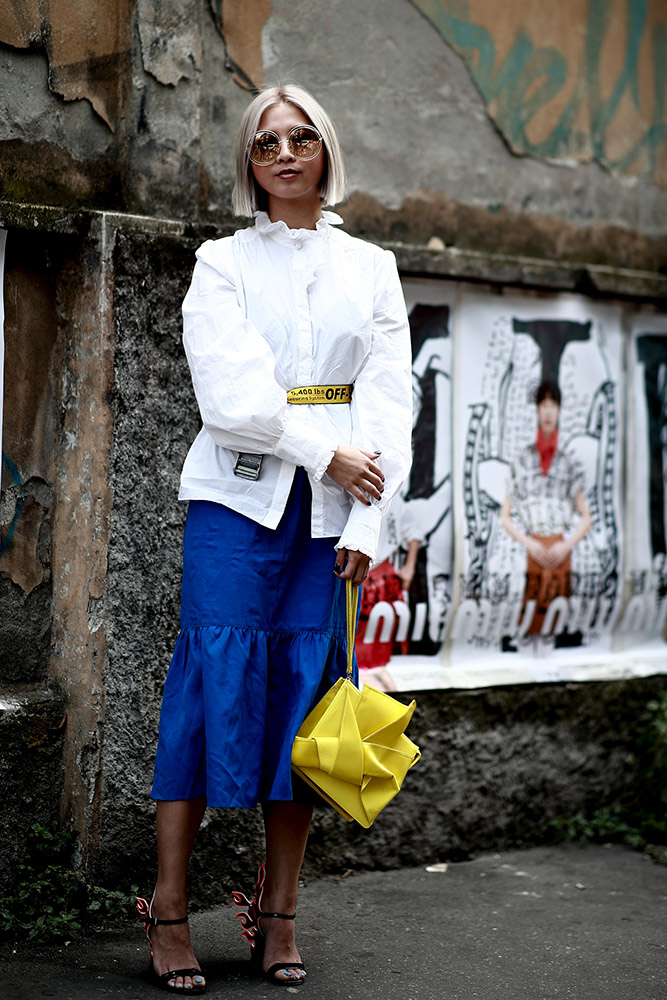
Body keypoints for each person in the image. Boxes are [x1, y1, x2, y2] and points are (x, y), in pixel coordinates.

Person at [137, 84, 412, 993]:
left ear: (327, 150)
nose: (286, 154)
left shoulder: (371, 266)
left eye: (302, 139)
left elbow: (389, 399)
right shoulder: (221, 262)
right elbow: (231, 400)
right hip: (234, 509)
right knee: (204, 696)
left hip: (331, 521)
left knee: (305, 709)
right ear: (249, 165)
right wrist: (323, 450)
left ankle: (280, 910)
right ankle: (169, 908)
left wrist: (368, 516)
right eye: (267, 144)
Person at [500, 379, 592, 638]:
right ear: (537, 411)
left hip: (560, 551)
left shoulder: (569, 463)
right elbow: (505, 518)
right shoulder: (521, 460)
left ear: (560, 411)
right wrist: (529, 544)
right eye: (544, 405)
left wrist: (566, 545)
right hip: (532, 551)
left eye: (554, 405)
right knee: (530, 621)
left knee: (558, 621)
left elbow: (585, 518)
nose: (549, 411)